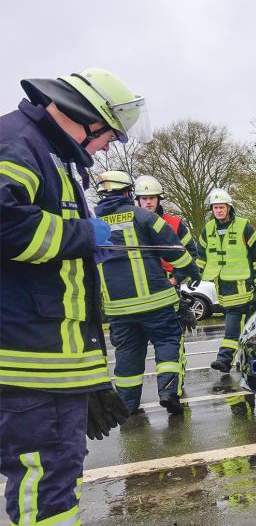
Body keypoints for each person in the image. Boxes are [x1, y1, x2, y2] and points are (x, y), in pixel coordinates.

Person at [0, 68, 142, 525]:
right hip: (31, 358)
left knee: (56, 473)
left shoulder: (46, 151)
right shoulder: (18, 143)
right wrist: (81, 234)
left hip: (51, 357)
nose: (107, 148)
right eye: (110, 136)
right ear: (88, 118)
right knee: (45, 479)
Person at [94, 171, 201, 415]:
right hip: (156, 302)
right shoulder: (143, 217)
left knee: (127, 354)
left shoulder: (91, 224)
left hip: (118, 309)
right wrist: (190, 271)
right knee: (167, 343)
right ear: (128, 193)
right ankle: (168, 392)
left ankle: (128, 406)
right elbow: (175, 249)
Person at [196, 188, 256, 373]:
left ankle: (224, 359)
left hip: (243, 285)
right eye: (215, 208)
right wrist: (195, 275)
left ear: (229, 207)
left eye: (221, 207)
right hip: (222, 286)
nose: (218, 211)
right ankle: (246, 361)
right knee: (242, 327)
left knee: (234, 324)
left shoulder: (244, 227)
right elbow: (201, 256)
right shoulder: (208, 230)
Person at [133, 175, 201, 284]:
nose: (148, 202)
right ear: (139, 201)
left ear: (159, 199)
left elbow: (191, 253)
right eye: (144, 198)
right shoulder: (131, 225)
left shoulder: (175, 223)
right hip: (142, 285)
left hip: (171, 283)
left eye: (152, 198)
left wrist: (177, 278)